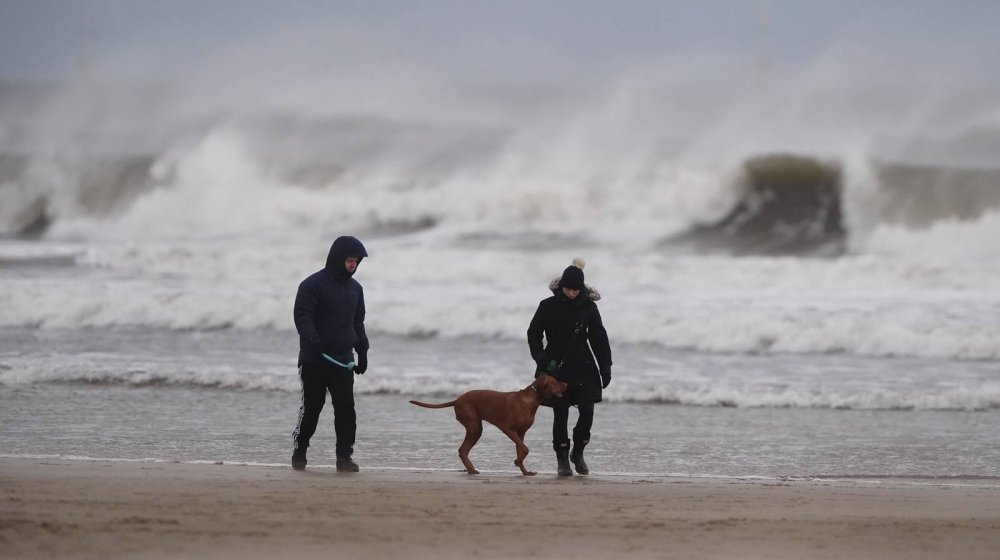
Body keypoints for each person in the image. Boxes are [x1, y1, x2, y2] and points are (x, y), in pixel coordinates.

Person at [527, 258, 612, 476]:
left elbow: (598, 337)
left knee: (587, 412)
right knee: (560, 413)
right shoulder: (547, 306)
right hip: (556, 369)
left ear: (581, 288)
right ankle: (562, 458)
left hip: (584, 367)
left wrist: (605, 366)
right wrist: (541, 359)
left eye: (575, 289)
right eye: (567, 288)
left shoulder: (589, 308)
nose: (571, 293)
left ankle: (579, 452)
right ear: (561, 286)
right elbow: (533, 333)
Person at [291, 235, 370, 472]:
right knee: (312, 409)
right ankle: (300, 450)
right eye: (350, 260)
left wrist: (363, 351)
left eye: (357, 261)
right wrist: (311, 339)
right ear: (337, 259)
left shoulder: (356, 289)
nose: (353, 265)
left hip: (343, 360)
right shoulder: (311, 285)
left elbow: (358, 323)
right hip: (315, 358)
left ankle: (344, 457)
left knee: (346, 411)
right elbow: (302, 315)